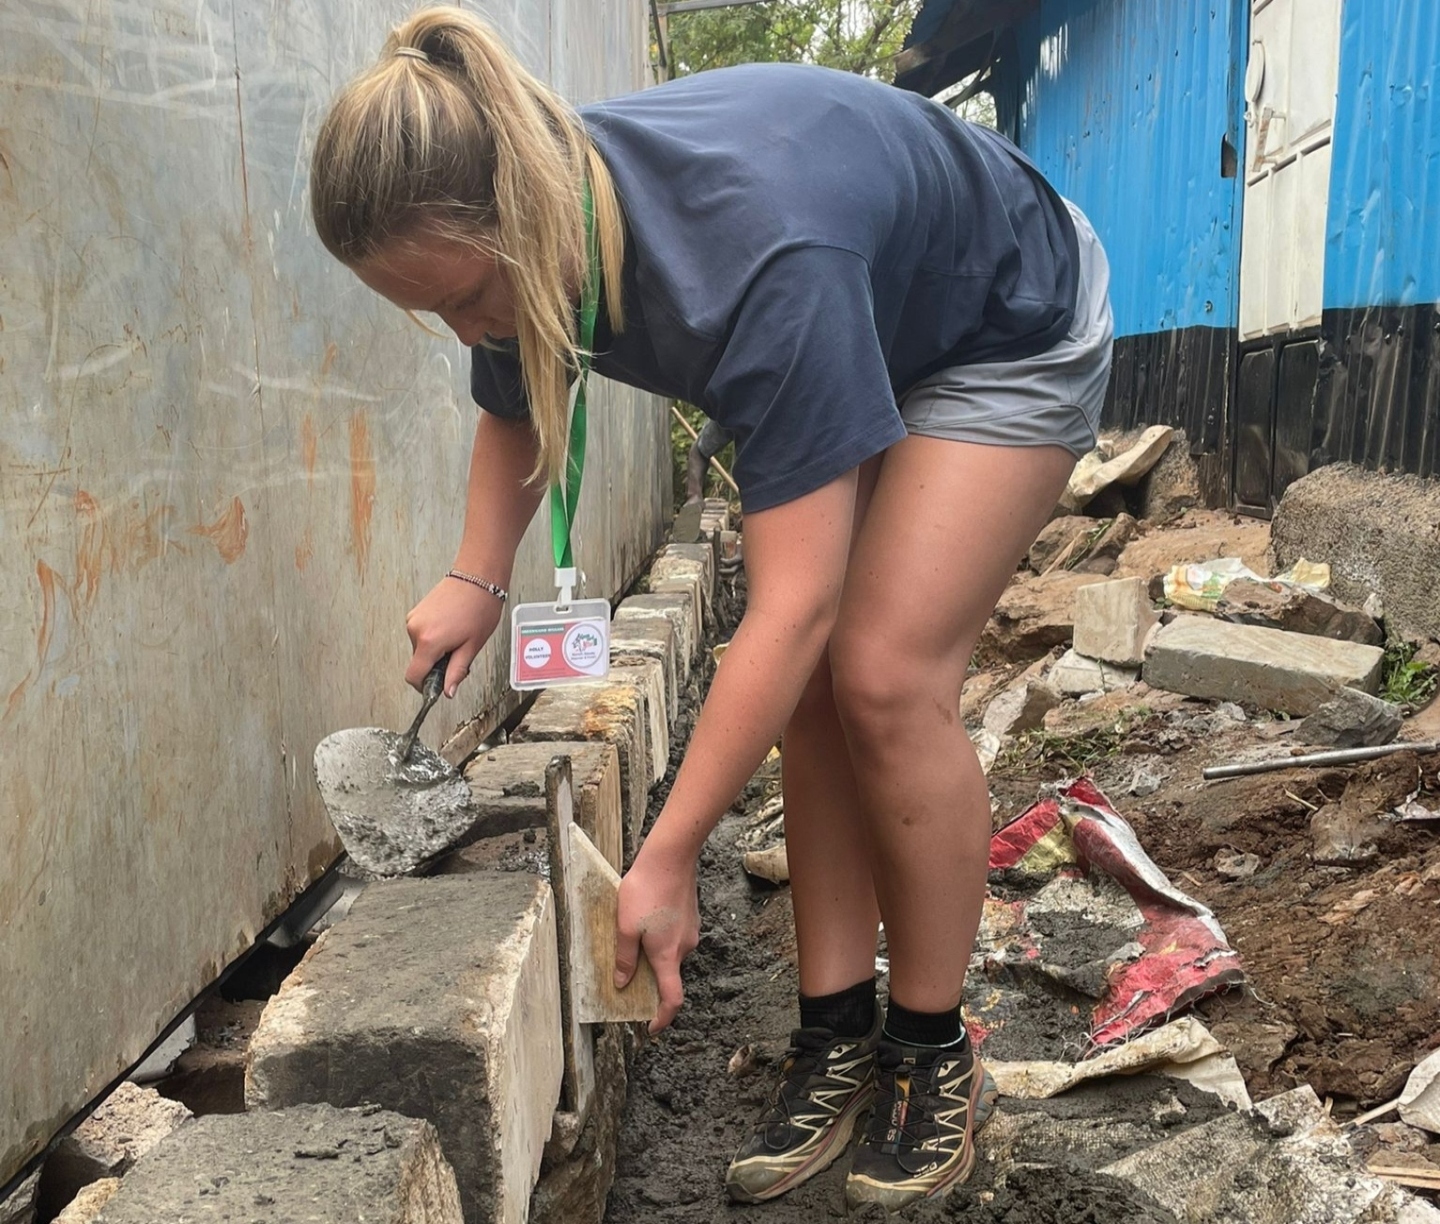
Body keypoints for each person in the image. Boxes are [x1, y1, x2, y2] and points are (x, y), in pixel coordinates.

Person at [309, 8, 1113, 1211]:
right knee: (816, 689)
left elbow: (790, 608)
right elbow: (516, 393)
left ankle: (934, 1046)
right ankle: (835, 1029)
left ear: (521, 216)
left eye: (467, 294)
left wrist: (669, 851)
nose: (462, 327)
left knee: (881, 670)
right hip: (870, 310)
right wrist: (476, 579)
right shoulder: (523, 229)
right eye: (427, 311)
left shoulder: (758, 255)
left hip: (1004, 319)